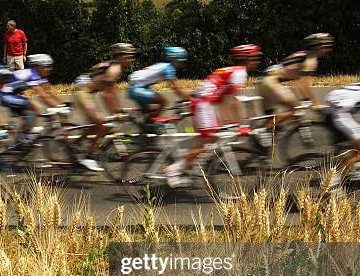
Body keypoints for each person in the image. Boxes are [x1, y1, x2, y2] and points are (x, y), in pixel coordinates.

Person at [165, 44, 262, 188]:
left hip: (203, 103)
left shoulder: (231, 70)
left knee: (212, 138)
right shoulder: (240, 73)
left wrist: (230, 122)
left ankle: (186, 165)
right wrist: (242, 126)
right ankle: (174, 169)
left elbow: (223, 100)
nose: (258, 60)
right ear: (248, 58)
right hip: (204, 105)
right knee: (209, 140)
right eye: (256, 57)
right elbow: (233, 102)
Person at [73, 43, 137, 171]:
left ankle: (77, 143)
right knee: (102, 124)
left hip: (86, 91)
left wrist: (119, 110)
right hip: (83, 93)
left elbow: (113, 91)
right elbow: (106, 95)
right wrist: (116, 113)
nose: (132, 59)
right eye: (129, 56)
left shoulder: (113, 65)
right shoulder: (115, 69)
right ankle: (88, 156)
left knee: (98, 124)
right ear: (121, 56)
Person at [0, 54, 63, 145]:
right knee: (36, 108)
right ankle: (23, 136)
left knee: (32, 114)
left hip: (12, 94)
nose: (50, 69)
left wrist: (62, 104)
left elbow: (50, 91)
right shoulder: (33, 74)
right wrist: (58, 107)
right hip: (5, 95)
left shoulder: (39, 75)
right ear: (40, 67)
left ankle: (21, 138)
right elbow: (43, 96)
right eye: (48, 66)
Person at [127, 46, 191, 126]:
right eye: (179, 62)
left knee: (148, 111)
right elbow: (175, 87)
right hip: (137, 89)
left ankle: (146, 128)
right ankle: (150, 125)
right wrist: (188, 98)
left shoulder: (162, 65)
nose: (181, 65)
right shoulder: (168, 68)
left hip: (135, 88)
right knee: (163, 101)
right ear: (173, 59)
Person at [256, 51, 308, 139]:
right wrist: (307, 99)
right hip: (270, 83)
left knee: (271, 117)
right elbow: (300, 85)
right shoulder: (297, 67)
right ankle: (263, 130)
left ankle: (260, 139)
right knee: (294, 108)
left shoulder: (286, 64)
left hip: (261, 83)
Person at [324, 83, 360, 188]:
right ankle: (332, 182)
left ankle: (356, 170)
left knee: (357, 139)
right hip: (340, 115)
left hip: (333, 111)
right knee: (358, 154)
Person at [296, 33, 334, 109]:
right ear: (317, 46)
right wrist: (315, 104)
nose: (329, 49)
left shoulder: (303, 54)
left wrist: (307, 100)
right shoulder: (310, 60)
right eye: (326, 46)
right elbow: (303, 84)